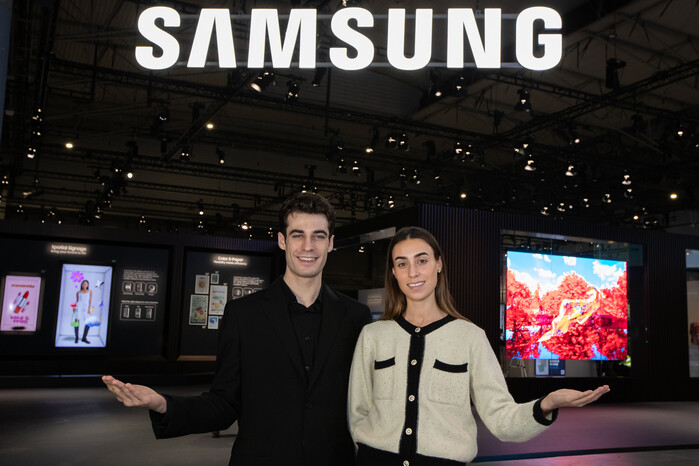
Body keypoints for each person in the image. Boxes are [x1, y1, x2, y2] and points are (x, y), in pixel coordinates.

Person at [103, 193, 372, 466]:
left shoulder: (355, 317)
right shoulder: (243, 314)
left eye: (318, 236)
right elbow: (224, 403)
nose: (308, 246)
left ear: (330, 243)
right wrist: (163, 404)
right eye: (297, 235)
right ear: (282, 240)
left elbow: (365, 403)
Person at [348, 227, 610, 465]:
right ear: (393, 272)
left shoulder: (470, 337)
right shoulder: (373, 335)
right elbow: (357, 412)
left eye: (422, 260)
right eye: (402, 263)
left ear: (439, 264)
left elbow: (500, 418)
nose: (413, 272)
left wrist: (546, 404)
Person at [76, 279, 92, 344]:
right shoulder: (78, 292)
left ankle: (84, 338)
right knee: (76, 321)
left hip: (86, 308)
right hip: (79, 307)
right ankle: (76, 337)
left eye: (85, 284)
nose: (84, 285)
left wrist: (89, 309)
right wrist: (75, 307)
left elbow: (90, 301)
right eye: (83, 284)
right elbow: (77, 301)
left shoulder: (90, 291)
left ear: (87, 285)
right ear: (81, 285)